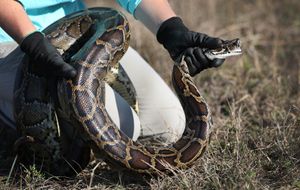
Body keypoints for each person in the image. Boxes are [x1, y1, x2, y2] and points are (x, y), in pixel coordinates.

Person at [0, 0, 225, 151]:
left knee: (169, 125)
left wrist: (172, 29)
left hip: (80, 31)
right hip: (12, 38)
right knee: (125, 129)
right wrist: (31, 41)